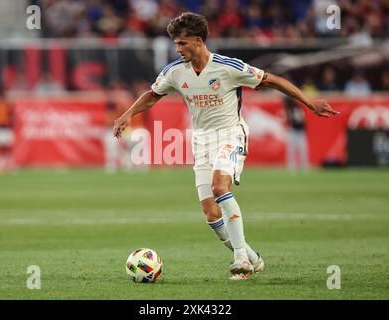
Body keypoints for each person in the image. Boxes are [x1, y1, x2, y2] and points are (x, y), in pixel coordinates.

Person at [113, 12, 340, 280]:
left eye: (182, 43)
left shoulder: (228, 67)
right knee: (210, 214)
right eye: (176, 43)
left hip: (231, 133)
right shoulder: (175, 72)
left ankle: (241, 259)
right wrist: (128, 114)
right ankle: (253, 257)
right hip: (201, 141)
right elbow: (152, 95)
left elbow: (273, 80)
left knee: (220, 187)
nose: (178, 48)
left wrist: (309, 102)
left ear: (198, 41)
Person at [284, 96, 308, 172]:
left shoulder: (299, 107)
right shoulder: (289, 109)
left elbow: (303, 120)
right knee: (291, 150)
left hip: (300, 131)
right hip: (293, 130)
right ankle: (291, 166)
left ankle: (303, 166)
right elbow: (288, 120)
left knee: (303, 149)